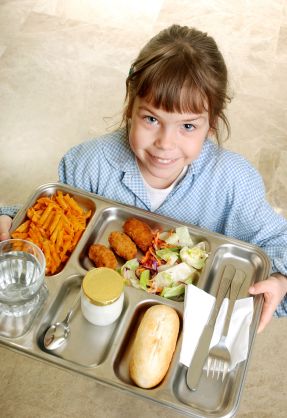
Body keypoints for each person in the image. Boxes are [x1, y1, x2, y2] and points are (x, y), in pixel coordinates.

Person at [0, 24, 286, 331]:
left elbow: (278, 241)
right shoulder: (87, 164)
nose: (165, 143)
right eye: (151, 119)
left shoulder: (234, 182)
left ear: (212, 125)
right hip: (99, 317)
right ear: (130, 107)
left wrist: (280, 281)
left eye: (188, 126)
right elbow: (48, 225)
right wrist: (8, 220)